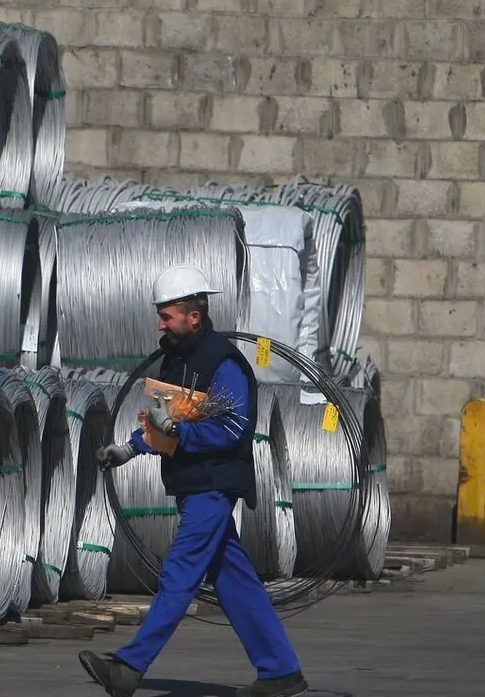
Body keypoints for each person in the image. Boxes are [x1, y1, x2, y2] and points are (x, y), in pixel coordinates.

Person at [77, 264, 308, 697]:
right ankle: (281, 671)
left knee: (180, 573)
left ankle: (128, 668)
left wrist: (179, 431)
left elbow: (233, 431)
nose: (160, 323)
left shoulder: (225, 364)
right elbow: (165, 422)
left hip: (214, 486)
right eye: (160, 315)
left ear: (193, 317)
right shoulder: (176, 359)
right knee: (235, 581)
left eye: (166, 316)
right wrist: (131, 448)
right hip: (191, 484)